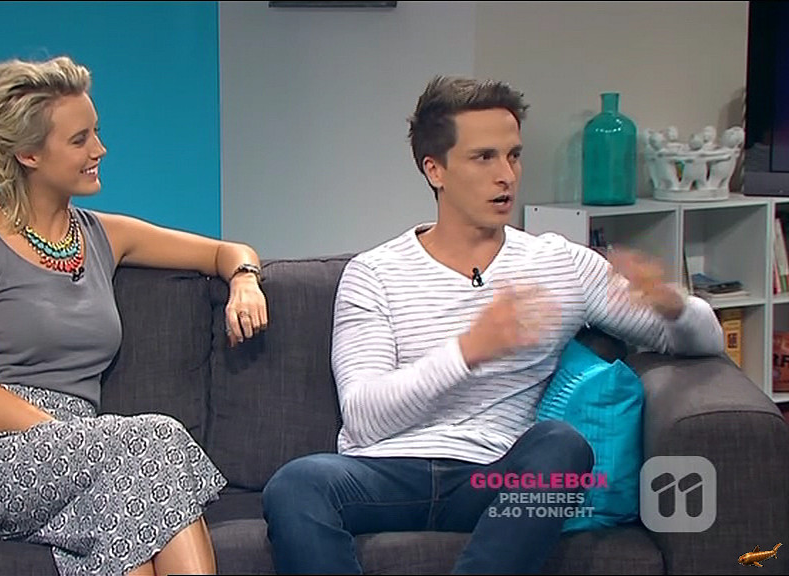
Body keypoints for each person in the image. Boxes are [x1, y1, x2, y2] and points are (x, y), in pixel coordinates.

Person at [261, 76, 725, 574]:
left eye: (514, 156)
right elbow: (364, 418)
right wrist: (469, 351)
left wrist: (672, 305)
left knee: (563, 446)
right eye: (484, 157)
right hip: (385, 474)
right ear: (435, 169)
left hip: (493, 477)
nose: (506, 175)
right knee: (297, 484)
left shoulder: (560, 264)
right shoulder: (374, 273)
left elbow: (704, 343)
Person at [0, 56, 269, 576]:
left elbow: (224, 251)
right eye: (80, 140)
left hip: (87, 454)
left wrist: (244, 279)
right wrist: (85, 442)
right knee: (153, 440)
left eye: (96, 133)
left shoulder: (105, 235)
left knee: (129, 512)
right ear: (29, 154)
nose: (99, 150)